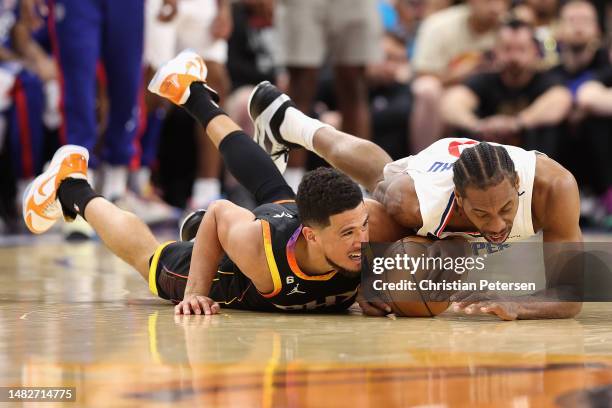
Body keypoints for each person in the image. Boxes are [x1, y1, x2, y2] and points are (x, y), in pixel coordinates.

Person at [22, 50, 392, 316]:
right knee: (151, 261)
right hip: (226, 268)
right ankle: (70, 184)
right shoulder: (258, 251)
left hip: (287, 220)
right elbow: (220, 212)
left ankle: (191, 92)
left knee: (275, 189)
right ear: (312, 235)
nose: (362, 240)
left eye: (362, 227)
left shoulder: (368, 234)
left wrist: (381, 287)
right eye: (348, 234)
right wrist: (195, 293)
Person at [247, 79, 583, 320]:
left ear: (518, 185)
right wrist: (372, 276)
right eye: (482, 213)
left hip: (467, 192)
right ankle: (289, 139)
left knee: (441, 256)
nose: (496, 225)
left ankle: (286, 119)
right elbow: (365, 215)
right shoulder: (417, 201)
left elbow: (570, 294)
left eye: (507, 208)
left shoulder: (556, 189)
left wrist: (517, 304)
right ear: (461, 201)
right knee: (379, 191)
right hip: (423, 181)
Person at [441, 19, 572, 157]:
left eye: (521, 49)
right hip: (486, 159)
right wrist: (477, 125)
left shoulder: (546, 79)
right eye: (507, 49)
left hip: (536, 159)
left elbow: (561, 99)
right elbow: (451, 103)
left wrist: (517, 123)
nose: (514, 57)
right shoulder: (484, 79)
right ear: (495, 51)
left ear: (535, 51)